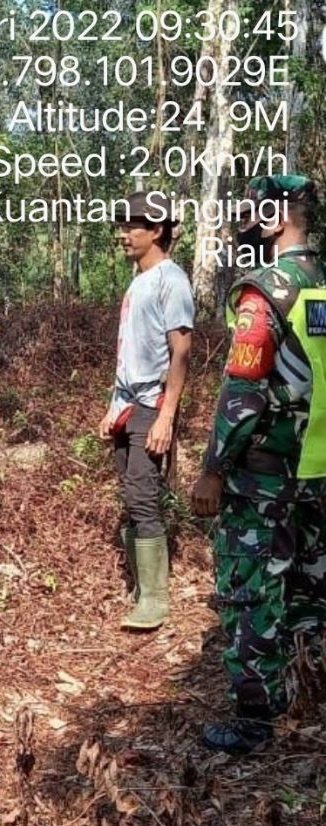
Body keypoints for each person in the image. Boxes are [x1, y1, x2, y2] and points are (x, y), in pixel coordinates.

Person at [190, 175, 326, 755]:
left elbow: (243, 395)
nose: (247, 220)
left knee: (251, 585)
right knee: (310, 583)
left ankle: (255, 716)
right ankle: (306, 689)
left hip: (267, 468)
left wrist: (214, 468)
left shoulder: (265, 292)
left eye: (255, 212)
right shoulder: (321, 285)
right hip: (317, 465)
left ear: (275, 219)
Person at [99, 193, 194, 630]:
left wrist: (166, 415)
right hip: (128, 403)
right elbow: (130, 355)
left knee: (141, 493)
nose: (123, 234)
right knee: (131, 491)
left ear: (156, 230)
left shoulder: (170, 280)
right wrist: (112, 406)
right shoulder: (139, 279)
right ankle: (139, 588)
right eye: (121, 226)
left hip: (152, 403)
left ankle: (155, 600)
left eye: (132, 226)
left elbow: (181, 352)